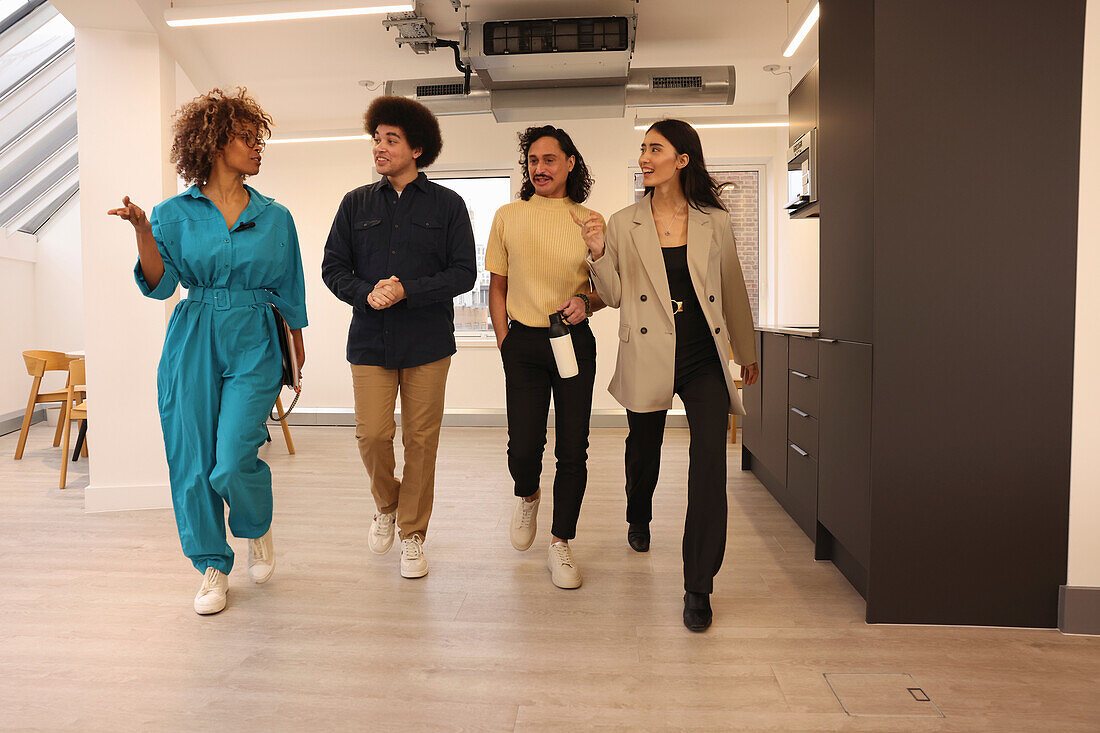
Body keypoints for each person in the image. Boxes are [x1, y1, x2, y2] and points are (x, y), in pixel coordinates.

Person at [110, 88, 308, 615]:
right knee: (192, 460)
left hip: (254, 334)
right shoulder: (171, 214)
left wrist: (297, 343)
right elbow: (159, 285)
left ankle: (255, 527)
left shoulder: (275, 216)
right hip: (194, 332)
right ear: (217, 143)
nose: (258, 148)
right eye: (248, 139)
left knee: (232, 460)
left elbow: (291, 285)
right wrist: (142, 233)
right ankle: (213, 566)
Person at [580, 118, 759, 631]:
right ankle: (639, 513)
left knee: (708, 464)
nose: (644, 157)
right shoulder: (621, 222)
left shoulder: (714, 221)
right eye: (642, 149)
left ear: (681, 160)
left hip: (702, 355)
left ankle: (698, 585)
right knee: (644, 450)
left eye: (654, 149)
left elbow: (731, 289)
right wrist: (597, 253)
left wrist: (744, 351)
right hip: (648, 348)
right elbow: (612, 295)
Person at [321, 96, 476, 579]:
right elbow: (332, 268)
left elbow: (464, 273)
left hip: (428, 342)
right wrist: (368, 294)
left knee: (421, 440)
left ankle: (412, 534)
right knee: (372, 434)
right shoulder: (355, 204)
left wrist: (408, 290)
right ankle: (386, 504)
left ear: (417, 149)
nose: (379, 147)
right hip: (370, 340)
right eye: (376, 138)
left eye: (391, 140)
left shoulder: (449, 205)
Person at [485, 125, 605, 589]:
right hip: (524, 344)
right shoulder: (508, 216)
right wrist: (504, 341)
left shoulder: (591, 220)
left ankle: (561, 542)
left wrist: (587, 300)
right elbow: (498, 285)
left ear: (570, 163)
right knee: (523, 448)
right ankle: (528, 493)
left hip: (573, 341)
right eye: (533, 160)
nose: (540, 168)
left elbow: (606, 290)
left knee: (574, 447)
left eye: (549, 159)